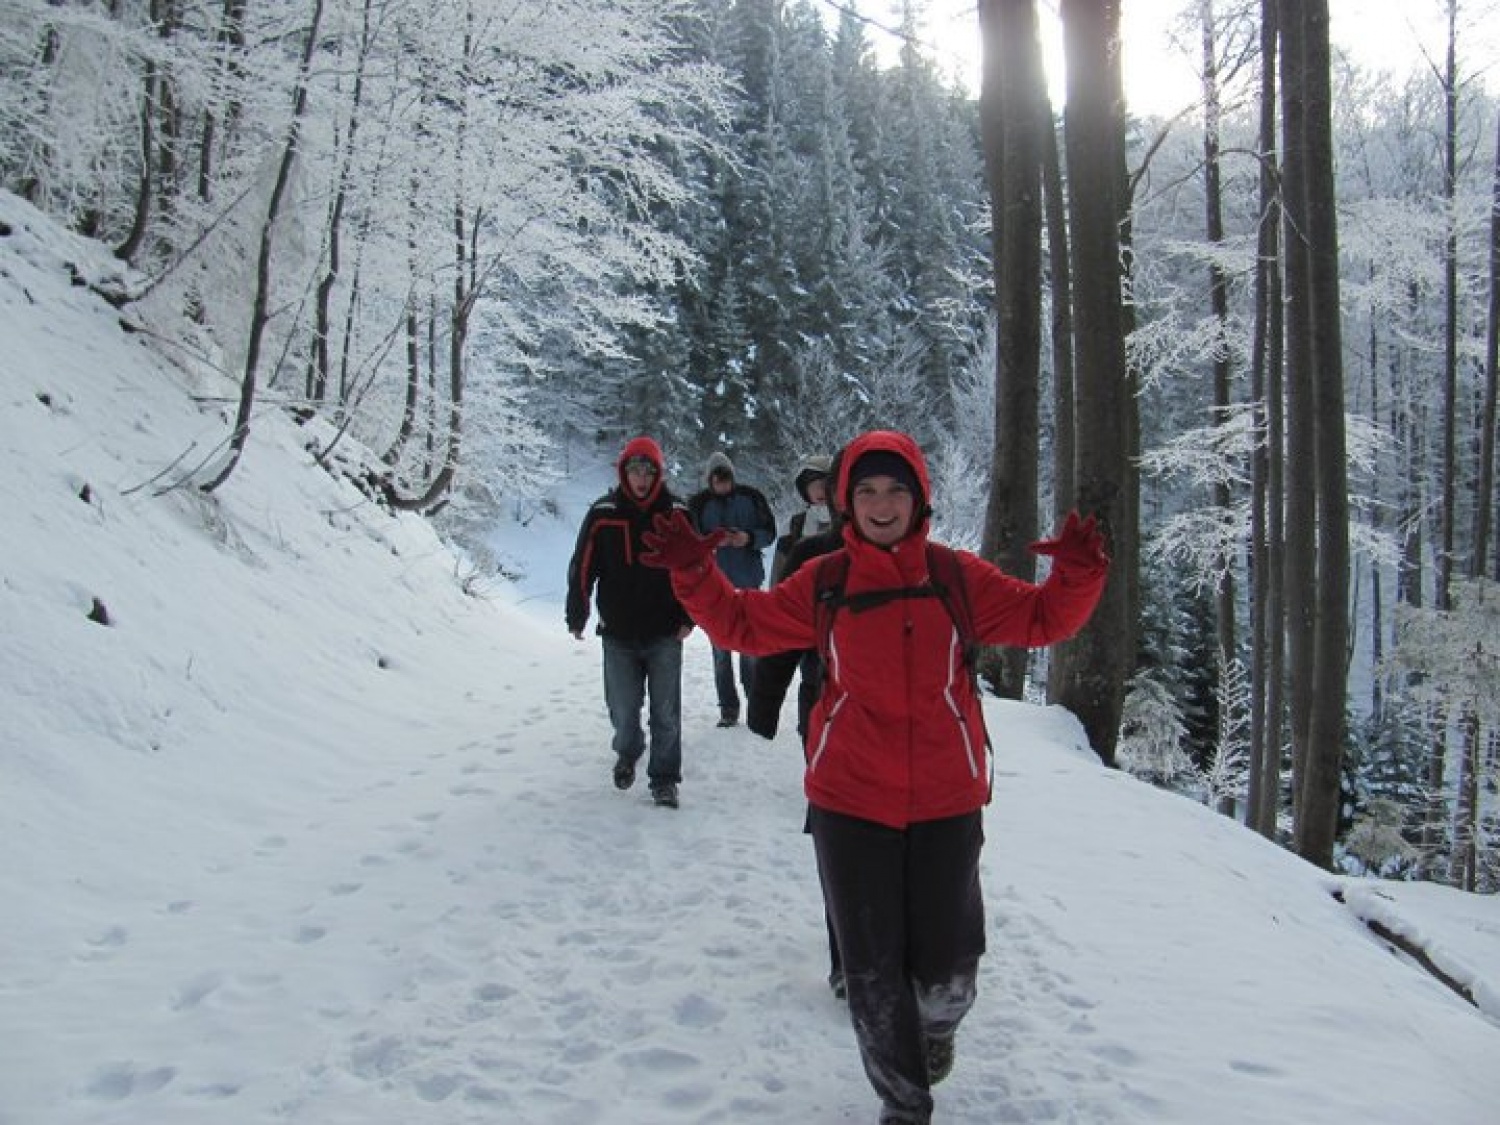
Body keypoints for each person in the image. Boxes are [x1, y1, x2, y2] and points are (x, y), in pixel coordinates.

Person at [642, 430, 1109, 1124]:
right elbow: (744, 623)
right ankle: (903, 1103)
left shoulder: (954, 576)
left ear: (918, 497)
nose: (882, 503)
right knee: (870, 970)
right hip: (850, 797)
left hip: (947, 798)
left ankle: (939, 1027)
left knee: (949, 970)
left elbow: (1043, 618)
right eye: (866, 490)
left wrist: (1077, 573)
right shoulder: (825, 580)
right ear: (845, 502)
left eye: (895, 489)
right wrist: (693, 575)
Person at [566, 437, 695, 809]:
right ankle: (628, 749)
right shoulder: (604, 513)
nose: (641, 478)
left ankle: (665, 779)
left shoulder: (678, 513)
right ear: (623, 472)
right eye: (634, 470)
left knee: (666, 712)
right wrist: (578, 611)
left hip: (665, 630)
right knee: (622, 707)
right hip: (618, 630)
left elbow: (697, 568)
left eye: (648, 471)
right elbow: (583, 565)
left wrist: (689, 616)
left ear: (659, 474)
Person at [687, 451, 776, 727]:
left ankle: (754, 703)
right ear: (709, 480)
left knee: (750, 648)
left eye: (726, 477)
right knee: (720, 651)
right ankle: (728, 708)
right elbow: (690, 541)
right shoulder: (699, 505)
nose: (722, 483)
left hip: (749, 584)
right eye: (717, 478)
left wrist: (747, 538)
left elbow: (769, 532)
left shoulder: (751, 497)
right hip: (714, 588)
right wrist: (711, 543)